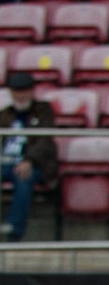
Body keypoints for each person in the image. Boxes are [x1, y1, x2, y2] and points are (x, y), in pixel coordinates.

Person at [0, 70, 54, 242]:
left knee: (23, 176)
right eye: (16, 91)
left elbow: (44, 141)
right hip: (6, 162)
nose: (20, 95)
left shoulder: (43, 111)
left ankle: (14, 231)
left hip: (35, 165)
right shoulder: (4, 115)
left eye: (24, 90)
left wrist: (29, 160)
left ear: (32, 91)